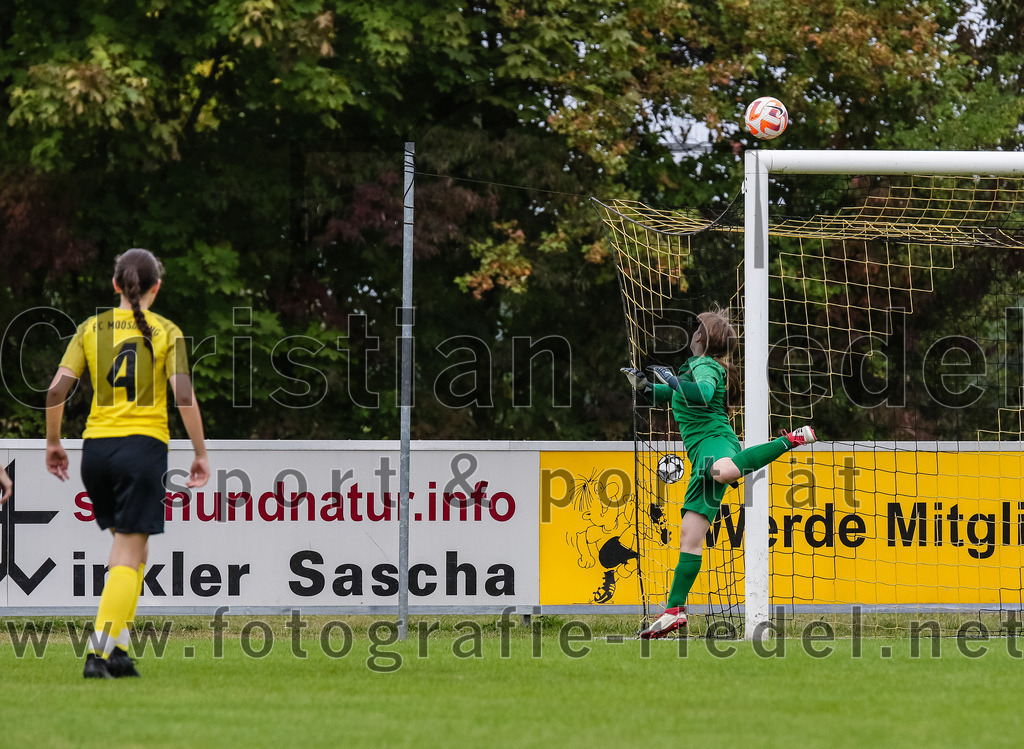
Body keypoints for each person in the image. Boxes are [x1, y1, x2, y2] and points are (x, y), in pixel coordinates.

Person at [46, 248, 210, 678]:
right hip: (141, 448)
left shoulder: (91, 328)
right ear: (156, 287)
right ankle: (98, 653)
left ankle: (117, 649)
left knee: (135, 551)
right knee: (127, 551)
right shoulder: (166, 331)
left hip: (96, 451)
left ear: (116, 284)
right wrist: (200, 452)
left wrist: (53, 443)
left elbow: (54, 392)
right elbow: (184, 396)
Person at [621, 308, 816, 639]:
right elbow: (665, 395)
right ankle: (673, 611)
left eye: (696, 328)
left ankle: (791, 439)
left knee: (724, 469)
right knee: (689, 538)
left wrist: (670, 379)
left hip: (715, 442)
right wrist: (642, 385)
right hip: (699, 460)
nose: (693, 333)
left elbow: (703, 394)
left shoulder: (706, 366)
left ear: (701, 337)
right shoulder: (693, 370)